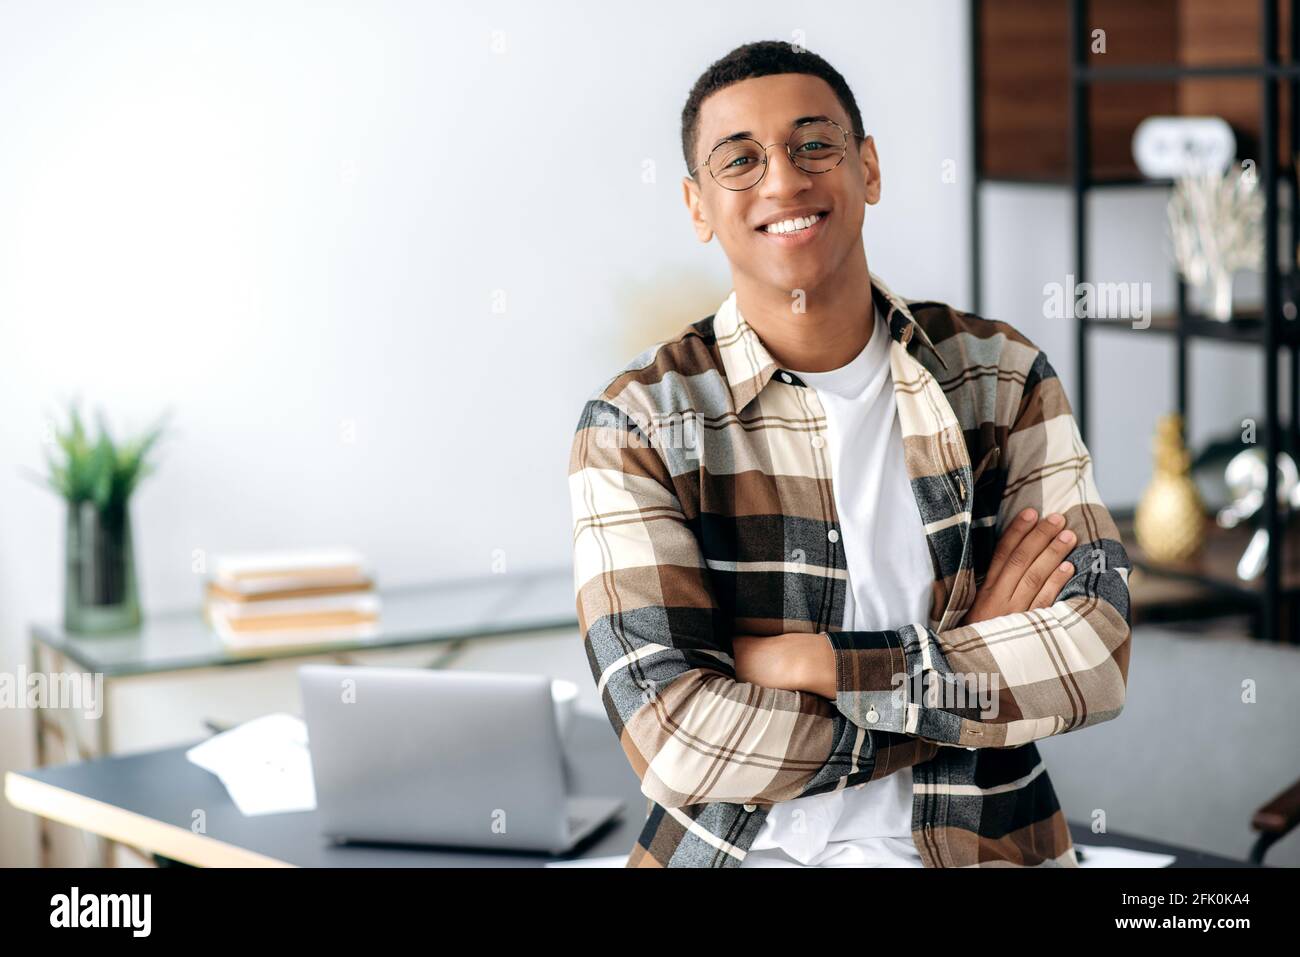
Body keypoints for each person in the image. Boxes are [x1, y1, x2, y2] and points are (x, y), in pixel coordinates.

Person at [567, 39, 1132, 868]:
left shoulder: (999, 379)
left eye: (813, 145)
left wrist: (817, 662)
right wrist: (960, 664)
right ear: (698, 206)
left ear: (867, 167)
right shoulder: (639, 424)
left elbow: (1096, 654)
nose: (785, 180)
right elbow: (675, 741)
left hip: (979, 846)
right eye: (741, 160)